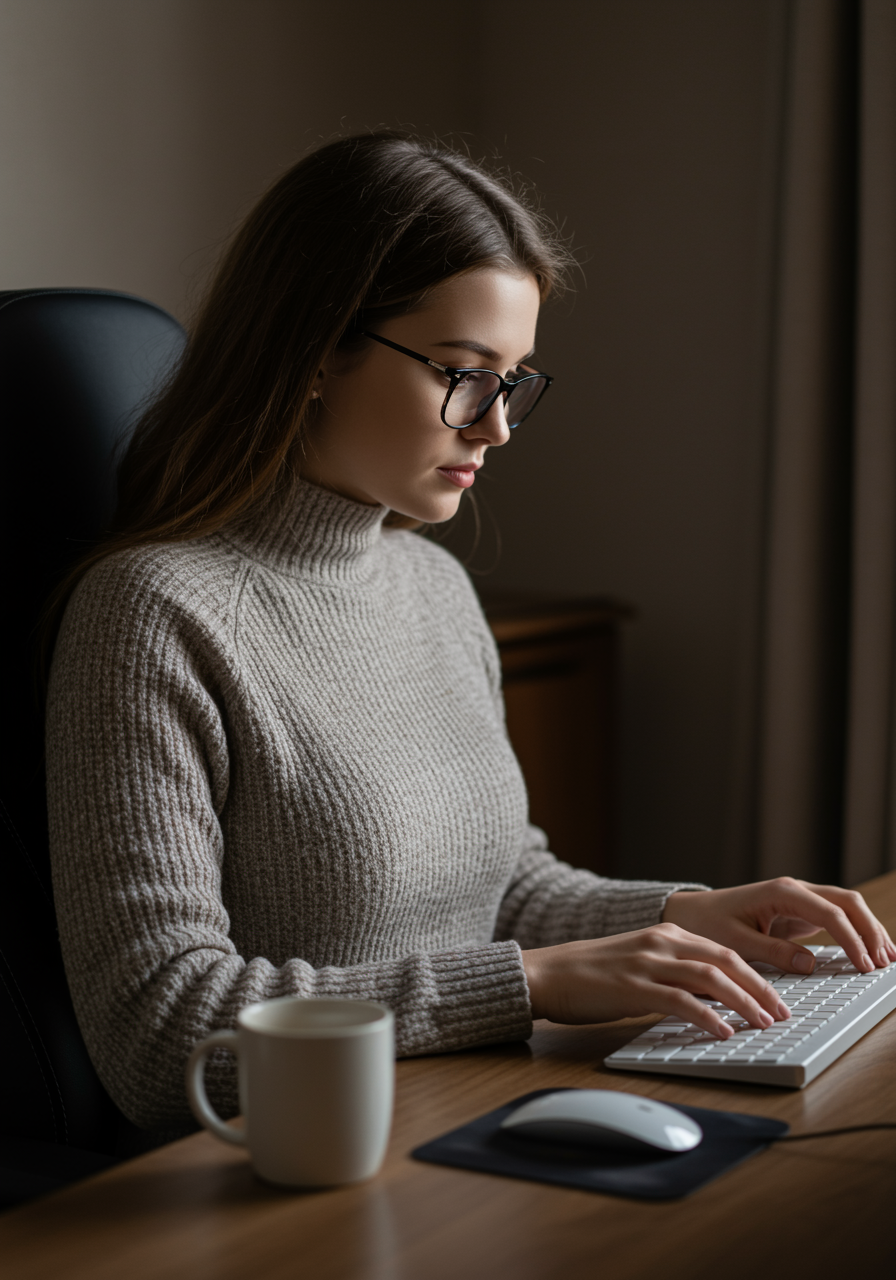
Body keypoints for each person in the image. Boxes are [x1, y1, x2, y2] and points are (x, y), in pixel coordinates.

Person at [46, 132, 896, 1143]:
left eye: (515, 382)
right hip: (284, 1168)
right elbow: (160, 1031)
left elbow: (502, 885)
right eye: (463, 373)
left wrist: (677, 915)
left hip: (457, 1107)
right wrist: (528, 984)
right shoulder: (150, 612)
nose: (494, 426)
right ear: (316, 352)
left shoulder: (433, 585)